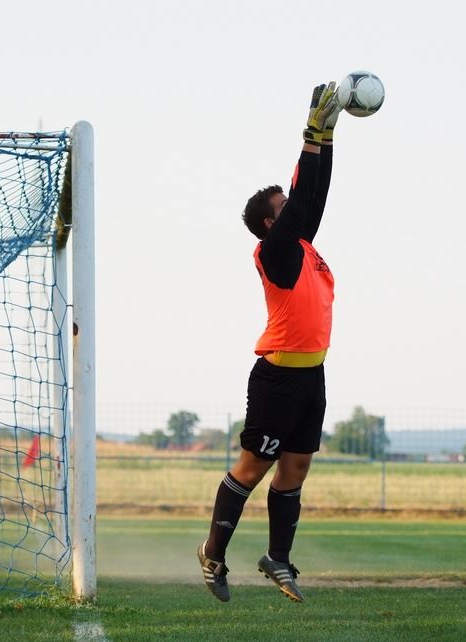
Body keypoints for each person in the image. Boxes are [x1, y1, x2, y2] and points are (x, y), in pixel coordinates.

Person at [197, 82, 341, 603]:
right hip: (277, 377)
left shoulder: (302, 245)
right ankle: (213, 553)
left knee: (295, 469)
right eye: (283, 207)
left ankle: (277, 557)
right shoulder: (273, 253)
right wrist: (309, 137)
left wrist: (327, 139)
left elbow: (313, 196)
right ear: (269, 223)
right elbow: (302, 200)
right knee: (254, 468)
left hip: (311, 376)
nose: (294, 209)